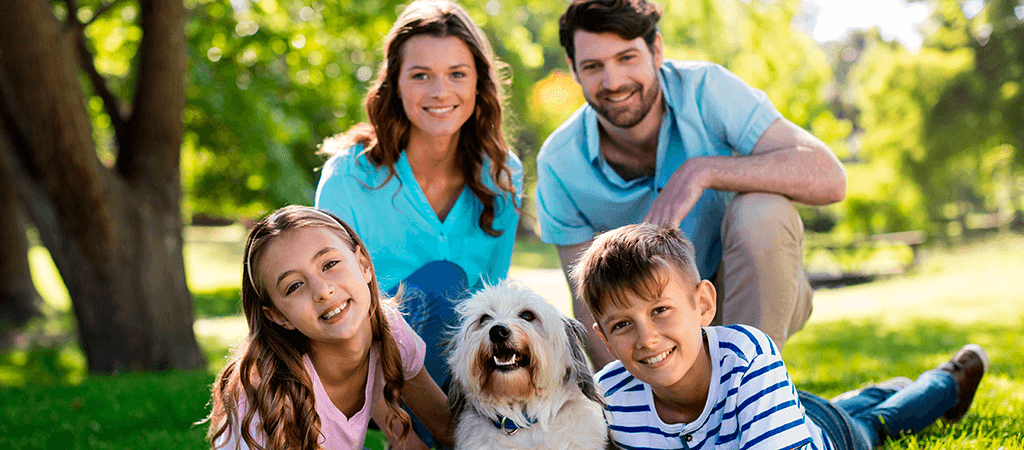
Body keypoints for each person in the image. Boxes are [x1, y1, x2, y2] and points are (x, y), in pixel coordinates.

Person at [536, 0, 847, 366]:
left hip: (751, 294)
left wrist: (702, 171)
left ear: (656, 50)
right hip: (652, 324)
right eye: (593, 66)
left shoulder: (709, 90)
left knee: (762, 209)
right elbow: (589, 303)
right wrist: (632, 405)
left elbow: (829, 177)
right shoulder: (558, 163)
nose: (613, 81)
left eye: (626, 58)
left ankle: (750, 387)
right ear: (573, 68)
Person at [570, 223, 989, 449]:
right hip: (773, 414)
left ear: (703, 305)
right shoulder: (610, 397)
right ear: (603, 339)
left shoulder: (747, 356)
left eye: (660, 310)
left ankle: (949, 379)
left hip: (824, 435)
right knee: (851, 407)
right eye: (623, 324)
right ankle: (878, 390)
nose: (646, 338)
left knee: (879, 425)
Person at [315, 0, 522, 391]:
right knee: (444, 282)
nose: (441, 92)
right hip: (367, 372)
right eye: (421, 75)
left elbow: (493, 297)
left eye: (457, 74)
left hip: (462, 369)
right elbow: (328, 309)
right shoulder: (347, 176)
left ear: (479, 82)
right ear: (395, 83)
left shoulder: (503, 174)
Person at [205, 206, 453, 450]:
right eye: (294, 286)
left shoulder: (389, 330)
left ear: (364, 264)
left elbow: (449, 428)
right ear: (280, 316)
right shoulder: (271, 393)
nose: (323, 291)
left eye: (329, 264)